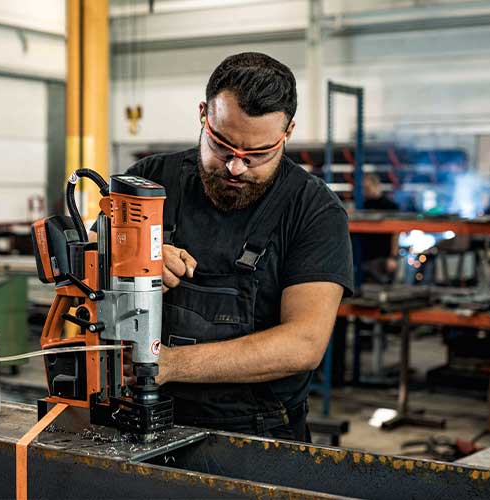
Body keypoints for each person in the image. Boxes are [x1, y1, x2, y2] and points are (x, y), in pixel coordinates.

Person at [119, 53, 353, 441]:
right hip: (143, 420)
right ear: (203, 115)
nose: (236, 167)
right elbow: (87, 263)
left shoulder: (315, 211)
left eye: (258, 154)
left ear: (288, 132)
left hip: (259, 435)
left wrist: (167, 364)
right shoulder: (148, 182)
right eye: (223, 145)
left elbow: (304, 343)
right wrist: (131, 261)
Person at [360, 173, 399, 282]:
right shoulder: (363, 205)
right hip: (365, 258)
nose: (364, 191)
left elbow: (396, 234)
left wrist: (393, 257)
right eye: (363, 188)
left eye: (367, 188)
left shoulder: (390, 206)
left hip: (383, 258)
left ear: (376, 185)